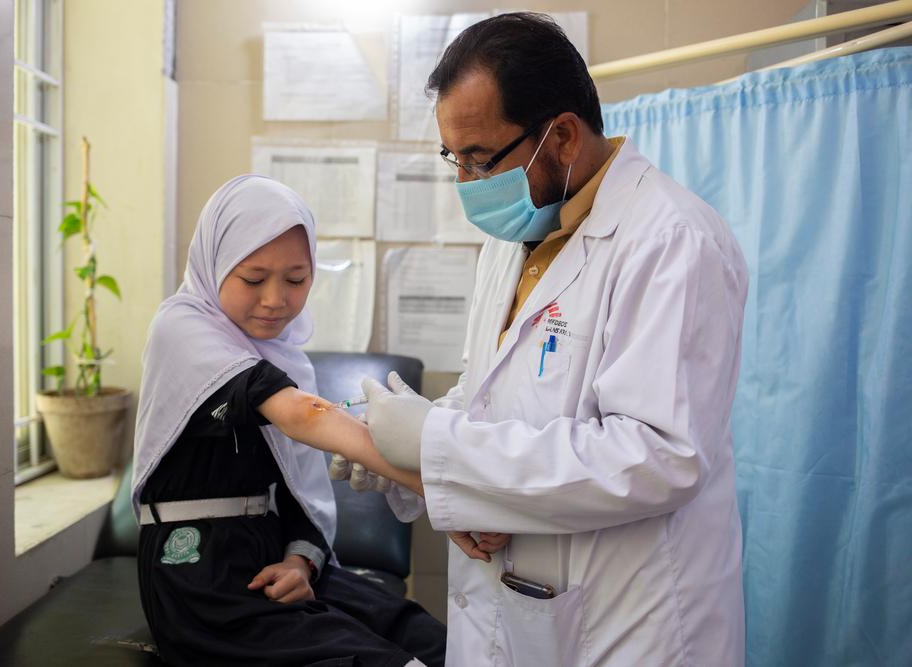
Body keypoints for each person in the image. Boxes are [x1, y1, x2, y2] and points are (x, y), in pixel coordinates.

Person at [354, 12, 748, 667]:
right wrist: (399, 456)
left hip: (631, 617)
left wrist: (435, 443)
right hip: (519, 599)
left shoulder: (673, 241)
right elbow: (492, 399)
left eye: (480, 161)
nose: (466, 186)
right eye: (454, 160)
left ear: (562, 135)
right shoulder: (512, 241)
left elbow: (657, 454)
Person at [132, 175, 445, 667]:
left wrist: (301, 561)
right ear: (214, 266)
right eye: (253, 279)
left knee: (430, 640)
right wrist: (440, 485)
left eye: (296, 280)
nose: (276, 299)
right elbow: (299, 415)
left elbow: (298, 491)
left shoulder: (284, 358)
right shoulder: (183, 328)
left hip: (273, 555)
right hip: (199, 575)